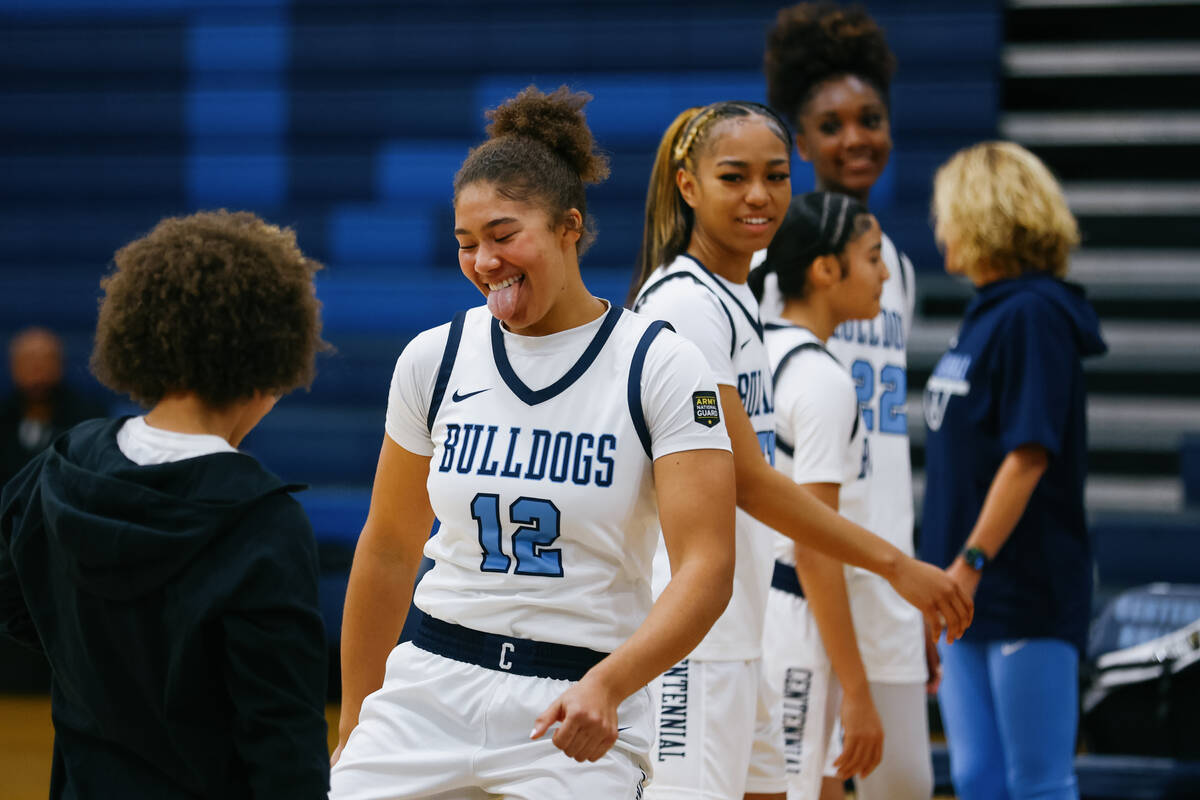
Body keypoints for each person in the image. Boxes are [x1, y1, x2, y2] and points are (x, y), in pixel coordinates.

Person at [329, 86, 738, 800]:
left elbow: (708, 565)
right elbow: (390, 546)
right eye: (465, 243)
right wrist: (357, 718)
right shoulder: (435, 357)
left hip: (576, 699)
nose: (484, 260)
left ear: (568, 228)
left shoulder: (660, 365)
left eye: (503, 234)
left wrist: (611, 683)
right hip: (430, 685)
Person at [629, 101, 970, 800]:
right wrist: (895, 565)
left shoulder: (737, 299)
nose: (760, 194)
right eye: (735, 176)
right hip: (696, 638)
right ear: (688, 186)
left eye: (777, 175)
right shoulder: (684, 304)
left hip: (745, 623)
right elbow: (749, 481)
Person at [0, 210, 331, 798]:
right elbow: (283, 739)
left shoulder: (60, 466)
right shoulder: (261, 520)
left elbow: (15, 596)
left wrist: (94, 656)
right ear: (272, 358)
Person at [762, 6, 935, 798]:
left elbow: (892, 439)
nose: (856, 138)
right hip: (803, 572)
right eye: (831, 125)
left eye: (871, 119)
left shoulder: (891, 266)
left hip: (888, 571)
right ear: (799, 145)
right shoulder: (768, 267)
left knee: (903, 784)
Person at [920, 141, 1106, 800]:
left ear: (980, 215)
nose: (939, 226)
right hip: (965, 594)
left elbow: (1030, 454)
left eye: (947, 212)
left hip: (1022, 588)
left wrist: (969, 561)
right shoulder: (987, 313)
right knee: (977, 779)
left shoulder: (1034, 316)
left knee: (1037, 784)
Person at [751, 191, 891, 799]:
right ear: (825, 269)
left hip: (756, 612)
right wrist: (859, 692)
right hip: (796, 619)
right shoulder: (823, 381)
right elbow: (814, 549)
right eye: (873, 256)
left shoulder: (757, 350)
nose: (886, 273)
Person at [0, 327, 108, 487]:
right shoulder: (3, 419)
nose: (37, 372)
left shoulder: (89, 422)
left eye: (45, 361)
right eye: (28, 362)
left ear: (60, 365)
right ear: (13, 367)